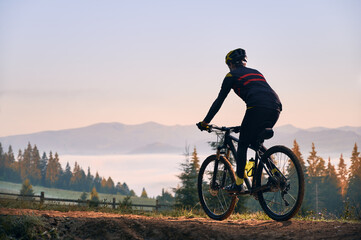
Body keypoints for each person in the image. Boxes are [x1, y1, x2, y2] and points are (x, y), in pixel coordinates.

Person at [197, 48, 282, 193]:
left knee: (242, 144)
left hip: (256, 107)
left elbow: (219, 101)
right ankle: (276, 175)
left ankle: (238, 184)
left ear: (230, 64)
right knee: (256, 143)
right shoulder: (256, 72)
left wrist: (205, 122)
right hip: (276, 107)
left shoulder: (231, 75)